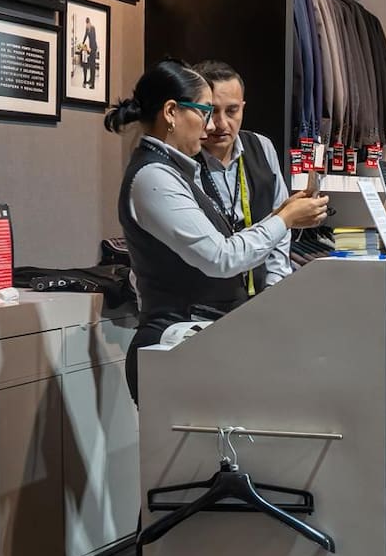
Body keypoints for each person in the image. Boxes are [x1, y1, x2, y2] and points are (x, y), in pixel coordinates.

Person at [106, 59, 328, 403]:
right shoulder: (154, 177)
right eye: (205, 112)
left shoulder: (172, 171)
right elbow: (221, 258)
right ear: (171, 112)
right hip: (175, 343)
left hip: (199, 340)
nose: (211, 125)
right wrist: (283, 220)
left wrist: (280, 218)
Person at [192, 60, 293, 292]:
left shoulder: (262, 147)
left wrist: (274, 286)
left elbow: (280, 222)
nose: (221, 123)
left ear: (243, 107)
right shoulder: (185, 161)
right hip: (202, 302)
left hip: (260, 296)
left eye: (232, 111)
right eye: (212, 111)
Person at [82, 17, 99, 89]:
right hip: (91, 48)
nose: (87, 24)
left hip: (94, 48)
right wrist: (82, 44)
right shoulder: (87, 28)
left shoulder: (92, 28)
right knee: (91, 65)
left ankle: (93, 84)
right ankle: (90, 80)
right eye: (86, 23)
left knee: (92, 66)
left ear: (89, 22)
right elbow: (85, 36)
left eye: (88, 23)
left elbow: (93, 39)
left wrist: (91, 49)